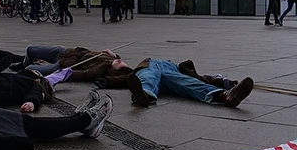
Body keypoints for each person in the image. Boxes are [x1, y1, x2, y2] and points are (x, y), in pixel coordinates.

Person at [94, 57, 254, 108]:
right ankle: (144, 96)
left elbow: (196, 74)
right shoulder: (135, 70)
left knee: (187, 83)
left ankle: (225, 96)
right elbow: (124, 79)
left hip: (172, 71)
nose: (118, 60)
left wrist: (221, 82)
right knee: (149, 78)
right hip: (148, 70)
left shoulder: (178, 66)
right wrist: (110, 76)